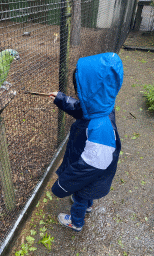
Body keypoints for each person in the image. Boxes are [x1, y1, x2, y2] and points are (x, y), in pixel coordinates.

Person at [49, 52, 123, 232]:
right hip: (92, 174)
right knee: (85, 194)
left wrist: (63, 184)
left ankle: (76, 222)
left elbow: (87, 168)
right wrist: (61, 99)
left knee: (80, 196)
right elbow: (81, 108)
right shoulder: (101, 106)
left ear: (92, 92)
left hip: (89, 174)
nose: (78, 95)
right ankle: (88, 204)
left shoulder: (101, 129)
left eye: (81, 91)